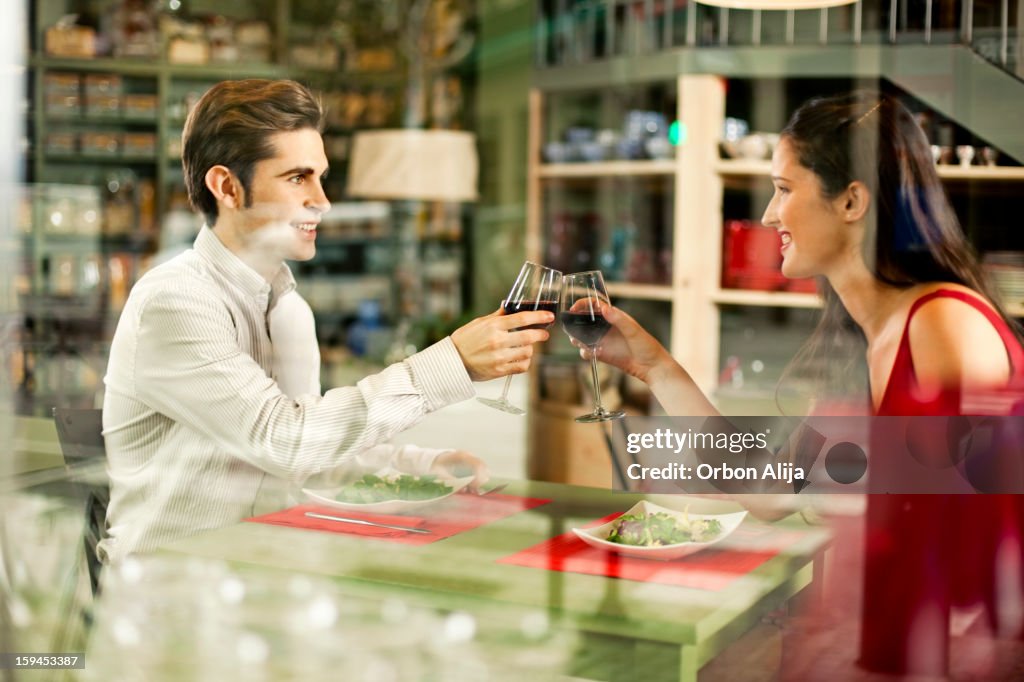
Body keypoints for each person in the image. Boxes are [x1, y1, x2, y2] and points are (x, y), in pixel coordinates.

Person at [581, 91, 1024, 675]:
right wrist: (655, 366)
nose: (768, 214)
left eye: (784, 189)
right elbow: (771, 492)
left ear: (851, 200)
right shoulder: (869, 337)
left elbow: (978, 579)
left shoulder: (944, 325)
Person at [98, 79, 553, 563]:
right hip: (167, 597)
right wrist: (453, 363)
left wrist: (422, 464)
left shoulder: (289, 308)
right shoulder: (175, 301)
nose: (323, 200)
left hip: (262, 580)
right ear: (227, 187)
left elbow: (307, 452)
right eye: (298, 178)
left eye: (320, 176)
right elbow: (284, 442)